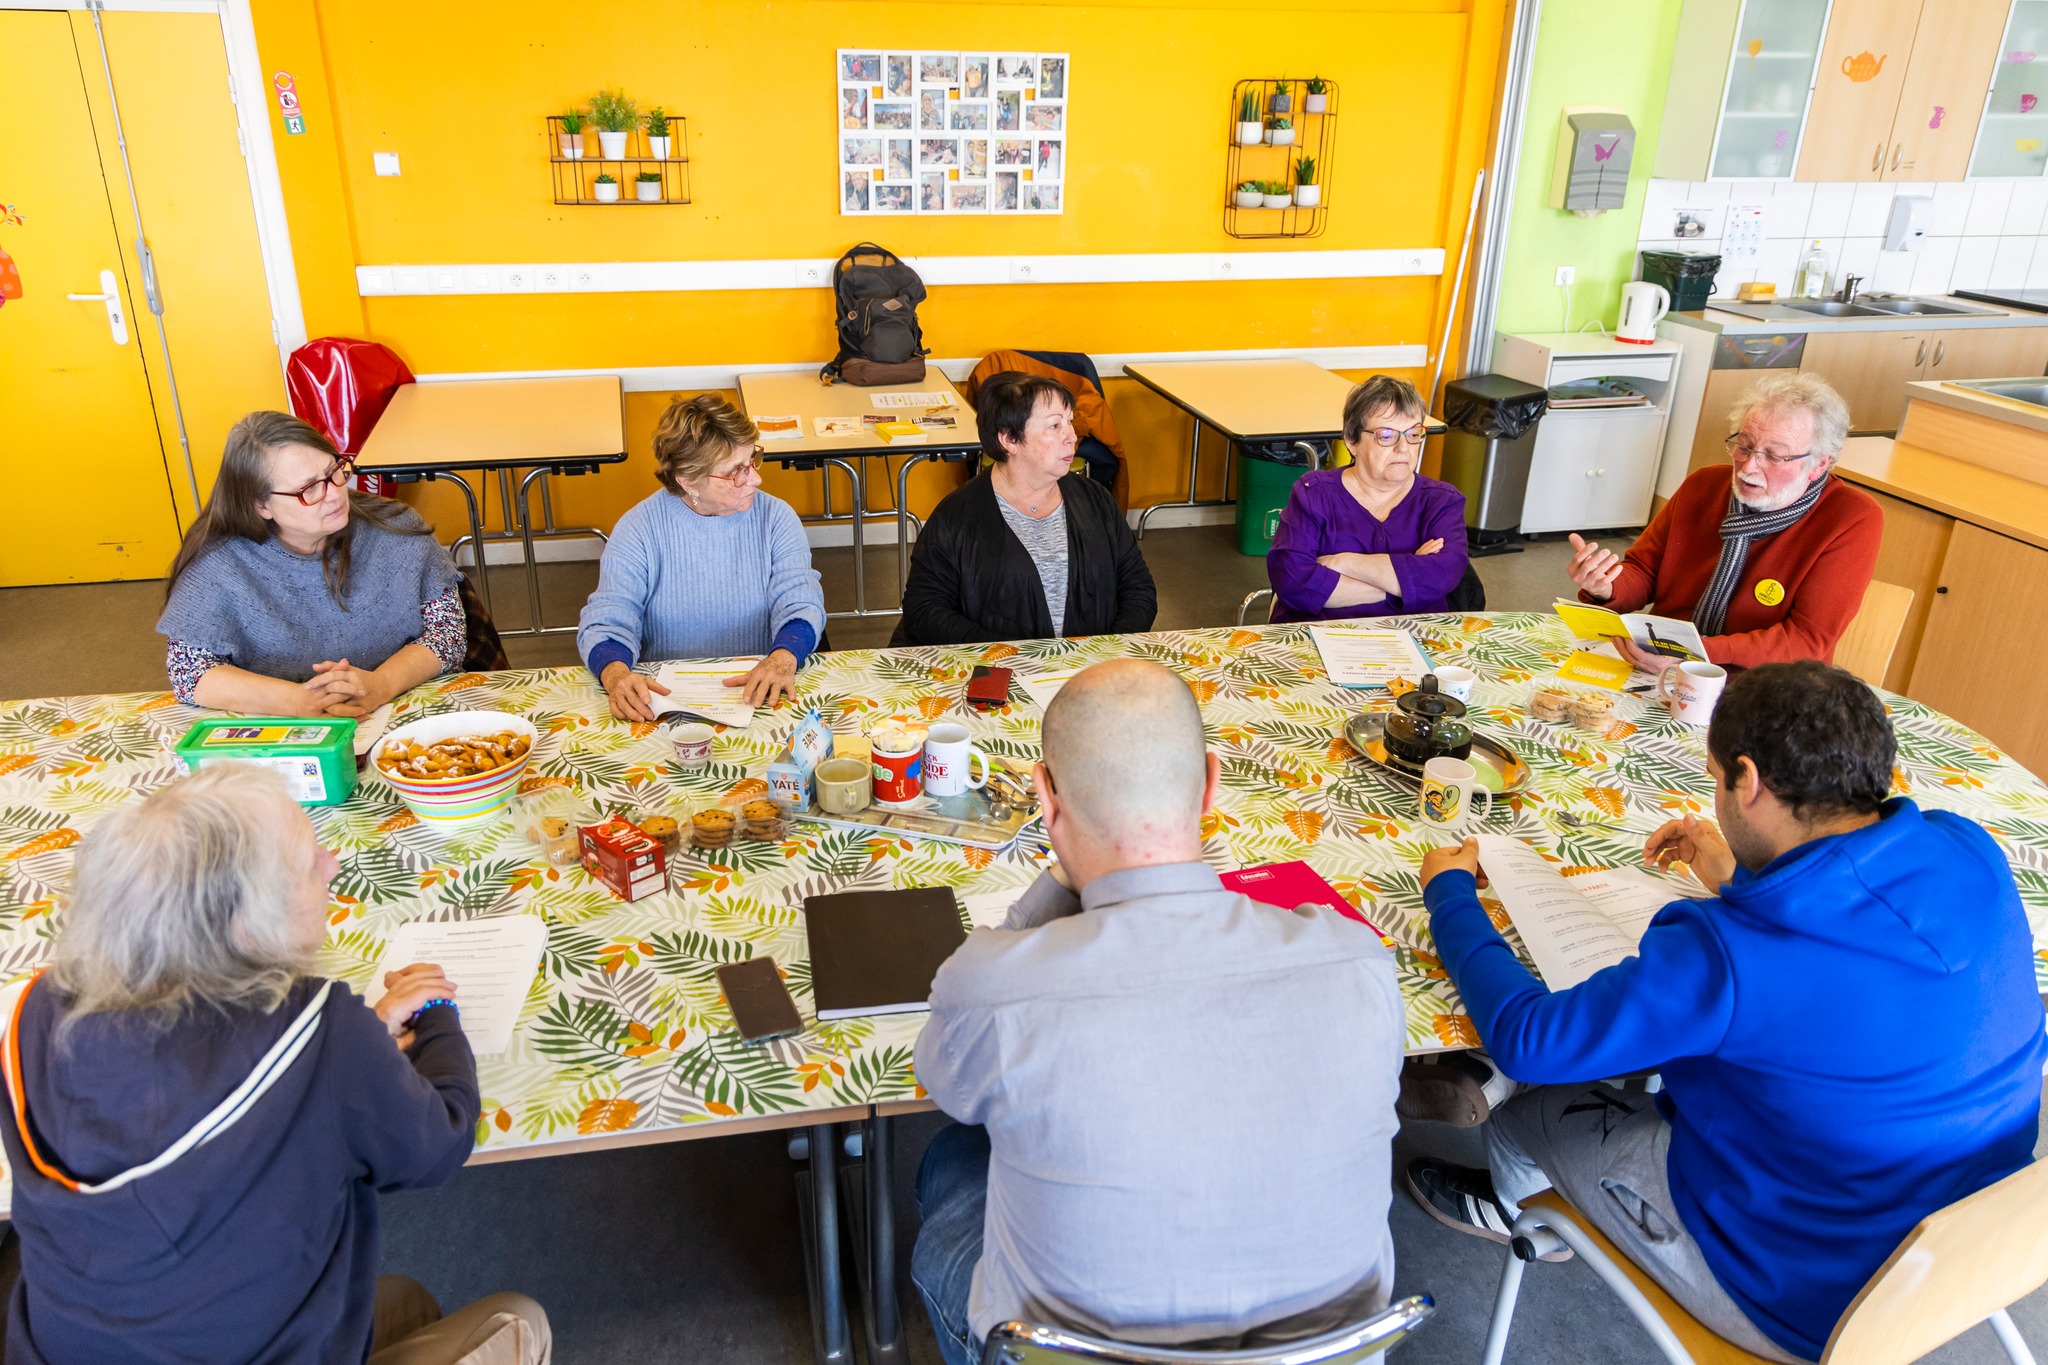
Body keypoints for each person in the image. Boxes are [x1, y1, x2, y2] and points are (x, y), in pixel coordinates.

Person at [1408, 661, 2046, 1363]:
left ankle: (1513, 1209)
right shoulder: (1970, 850)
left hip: (1798, 1296)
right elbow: (1854, 951)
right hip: (1968, 1250)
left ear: (1748, 780)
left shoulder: (1729, 953)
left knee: (1530, 1104)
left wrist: (1452, 896)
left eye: (1715, 779)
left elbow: (1529, 1038)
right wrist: (1745, 876)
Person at [911, 660, 1404, 1365]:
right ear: (1210, 782)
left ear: (1045, 800)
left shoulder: (995, 987)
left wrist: (1058, 876)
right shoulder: (1360, 961)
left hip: (1064, 1352)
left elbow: (943, 1083)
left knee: (952, 1159)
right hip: (1324, 1354)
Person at [1, 764, 551, 1363]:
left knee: (406, 1302)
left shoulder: (35, 1011)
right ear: (245, 925)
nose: (331, 864)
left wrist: (352, 1044)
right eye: (307, 860)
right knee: (519, 1320)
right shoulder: (325, 1034)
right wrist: (438, 1010)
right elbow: (439, 1143)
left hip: (65, 1347)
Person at [1566, 372, 1880, 671]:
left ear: (1820, 464)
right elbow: (1645, 570)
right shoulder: (1703, 486)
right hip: (1660, 660)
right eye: (1744, 446)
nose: (1749, 467)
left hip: (1765, 685)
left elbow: (1805, 640)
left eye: (1773, 456)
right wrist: (1608, 586)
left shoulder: (1850, 517)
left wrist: (1696, 656)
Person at [157, 411, 465, 716]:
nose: (334, 495)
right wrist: (299, 701)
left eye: (334, 472)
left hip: (401, 704)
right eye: (308, 489)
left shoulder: (395, 527)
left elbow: (448, 632)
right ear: (261, 505)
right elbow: (190, 672)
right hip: (281, 723)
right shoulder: (218, 565)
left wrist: (381, 684)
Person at [578, 394, 826, 719]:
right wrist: (616, 675)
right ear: (688, 481)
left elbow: (801, 603)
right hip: (666, 698)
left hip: (760, 687)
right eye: (736, 471)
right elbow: (608, 620)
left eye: (753, 460)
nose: (755, 478)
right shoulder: (639, 528)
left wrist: (782, 658)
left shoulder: (776, 517)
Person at [897, 374, 1156, 645]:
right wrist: (1013, 654)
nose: (1072, 436)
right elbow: (924, 611)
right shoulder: (955, 517)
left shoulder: (1096, 501)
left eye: (1069, 421)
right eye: (1054, 426)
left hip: (1091, 673)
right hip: (1000, 674)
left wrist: (1107, 651)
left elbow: (1138, 588)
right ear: (1009, 439)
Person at [1266, 375, 1468, 621]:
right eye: (1386, 435)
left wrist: (1344, 563)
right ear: (1352, 441)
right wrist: (1404, 583)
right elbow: (1293, 582)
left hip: (1415, 640)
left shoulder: (1441, 501)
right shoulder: (1313, 494)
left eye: (1413, 434)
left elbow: (1441, 576)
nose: (1403, 448)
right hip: (1318, 639)